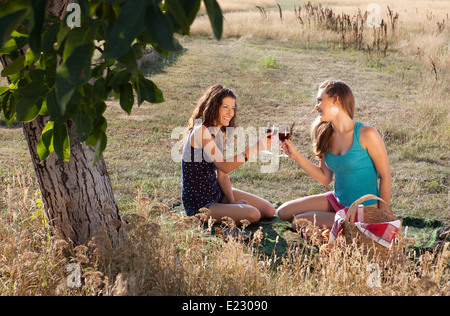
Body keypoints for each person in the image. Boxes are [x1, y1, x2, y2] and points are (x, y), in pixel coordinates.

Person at [277, 80, 392, 230]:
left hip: (363, 210)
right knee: (283, 212)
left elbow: (385, 176)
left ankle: (349, 230)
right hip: (337, 200)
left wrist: (381, 216)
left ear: (336, 99)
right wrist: (296, 156)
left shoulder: (366, 133)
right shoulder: (326, 135)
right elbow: (325, 178)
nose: (316, 107)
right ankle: (338, 228)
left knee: (299, 221)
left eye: (320, 101)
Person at [181, 85, 275, 224]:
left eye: (233, 108)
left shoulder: (216, 133)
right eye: (225, 107)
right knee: (253, 214)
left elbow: (222, 174)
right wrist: (256, 147)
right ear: (213, 107)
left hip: (216, 194)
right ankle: (202, 216)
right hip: (200, 206)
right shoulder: (200, 131)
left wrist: (232, 202)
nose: (230, 113)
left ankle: (226, 207)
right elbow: (225, 166)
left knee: (269, 210)